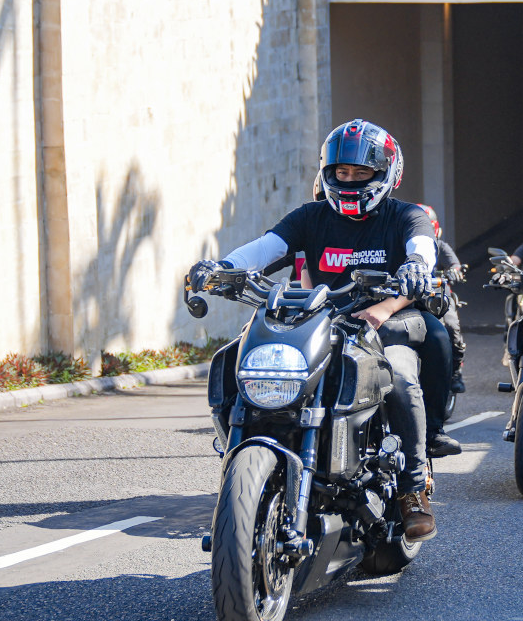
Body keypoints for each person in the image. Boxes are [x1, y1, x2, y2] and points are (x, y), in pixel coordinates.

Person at [186, 119, 437, 543]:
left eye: (362, 173)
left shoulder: (405, 216)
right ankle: (240, 468)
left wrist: (414, 269)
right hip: (322, 321)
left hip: (388, 320)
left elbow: (422, 249)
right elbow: (268, 247)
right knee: (233, 358)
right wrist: (223, 267)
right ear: (328, 173)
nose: (351, 180)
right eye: (342, 173)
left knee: (399, 376)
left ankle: (413, 487)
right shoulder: (311, 217)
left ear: (386, 174)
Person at [418, 204, 468, 396]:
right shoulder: (402, 246)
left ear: (435, 228)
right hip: (409, 297)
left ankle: (455, 371)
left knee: (451, 326)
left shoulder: (440, 246)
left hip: (439, 295)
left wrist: (455, 272)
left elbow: (454, 264)